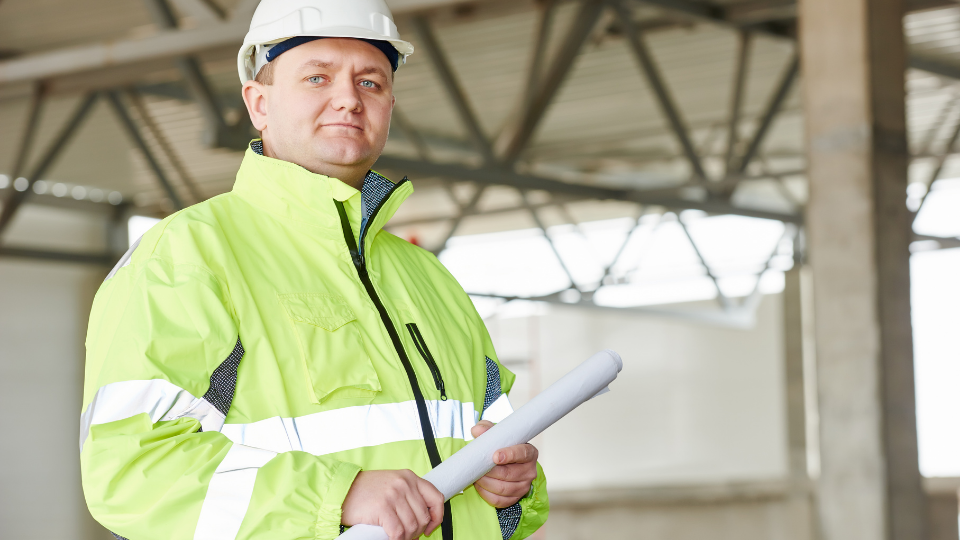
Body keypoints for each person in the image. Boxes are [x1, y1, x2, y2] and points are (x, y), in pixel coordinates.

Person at [78, 1, 548, 539]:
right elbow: (133, 473)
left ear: (390, 105)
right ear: (259, 103)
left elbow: (502, 455)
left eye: (370, 82)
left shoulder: (429, 278)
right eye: (317, 76)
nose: (348, 98)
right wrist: (338, 494)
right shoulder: (188, 256)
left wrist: (515, 485)